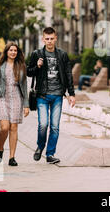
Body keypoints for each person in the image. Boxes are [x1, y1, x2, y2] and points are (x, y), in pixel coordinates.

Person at [27, 27, 76, 164]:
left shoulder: (62, 55)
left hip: (57, 95)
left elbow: (68, 75)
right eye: (46, 39)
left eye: (51, 39)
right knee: (43, 124)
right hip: (42, 95)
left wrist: (71, 94)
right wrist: (37, 66)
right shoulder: (37, 54)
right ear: (43, 39)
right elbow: (29, 72)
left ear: (55, 39)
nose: (49, 41)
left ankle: (50, 154)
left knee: (54, 126)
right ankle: (40, 146)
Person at [0, 42, 29, 166]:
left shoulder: (21, 66)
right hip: (1, 98)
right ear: (6, 52)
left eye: (15, 50)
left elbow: (24, 86)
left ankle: (12, 157)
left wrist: (26, 104)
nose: (13, 52)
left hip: (17, 98)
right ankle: (1, 149)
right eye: (11, 50)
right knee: (4, 127)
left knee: (14, 128)